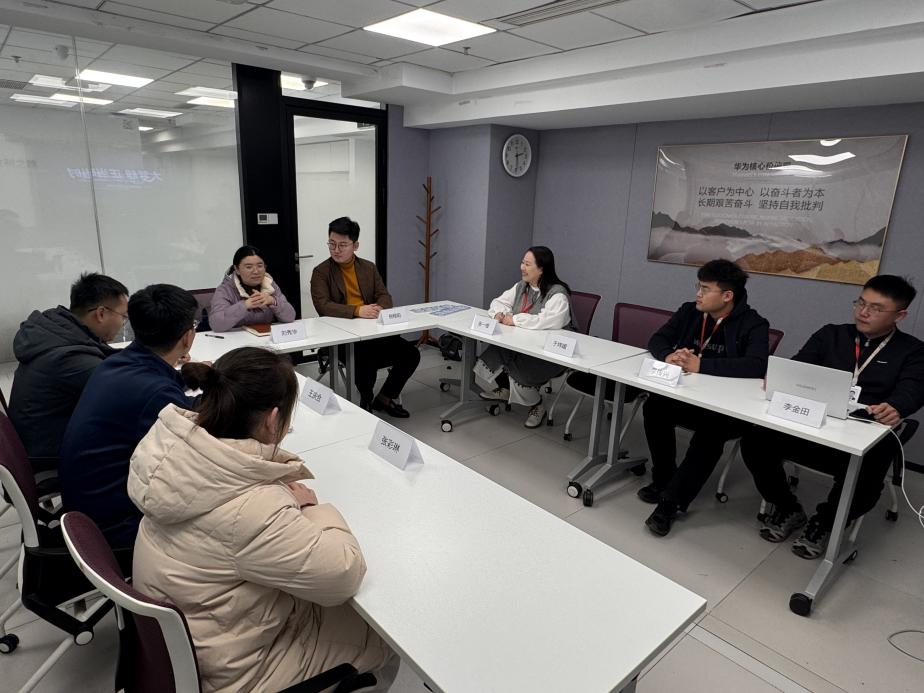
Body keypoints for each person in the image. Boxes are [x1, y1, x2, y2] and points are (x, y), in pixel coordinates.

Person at [128, 347, 397, 693]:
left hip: (195, 637)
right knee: (384, 636)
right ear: (273, 420)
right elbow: (344, 574)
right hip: (237, 673)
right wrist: (312, 508)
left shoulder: (173, 453)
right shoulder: (251, 509)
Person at [741, 274, 924, 559]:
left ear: (899, 315)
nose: (863, 312)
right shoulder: (832, 334)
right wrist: (780, 378)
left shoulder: (913, 350)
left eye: (876, 308)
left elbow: (913, 389)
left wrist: (897, 406)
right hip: (815, 422)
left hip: (865, 430)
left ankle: (825, 522)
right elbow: (800, 367)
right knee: (755, 440)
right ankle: (787, 506)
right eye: (860, 303)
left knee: (867, 476)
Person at [59, 284, 200, 562]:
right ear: (187, 337)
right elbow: (199, 452)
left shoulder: (115, 362)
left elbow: (165, 396)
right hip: (117, 525)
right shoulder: (156, 394)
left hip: (86, 506)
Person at [639, 259, 770, 536]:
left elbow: (757, 365)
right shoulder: (689, 311)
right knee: (655, 407)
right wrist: (668, 355)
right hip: (689, 396)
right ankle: (664, 476)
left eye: (705, 289)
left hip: (729, 409)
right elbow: (657, 339)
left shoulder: (753, 324)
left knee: (711, 432)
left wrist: (702, 365)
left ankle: (671, 503)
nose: (698, 294)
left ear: (727, 295)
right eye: (698, 286)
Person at [8, 272, 128, 468]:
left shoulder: (56, 332)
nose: (123, 323)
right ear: (101, 313)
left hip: (41, 443)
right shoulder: (69, 358)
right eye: (124, 316)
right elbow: (125, 391)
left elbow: (102, 356)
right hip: (51, 459)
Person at [310, 216, 420, 417]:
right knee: (365, 357)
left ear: (355, 245)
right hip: (344, 337)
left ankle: (384, 398)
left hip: (372, 331)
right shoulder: (321, 272)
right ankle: (366, 400)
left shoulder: (368, 267)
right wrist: (357, 311)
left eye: (342, 245)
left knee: (411, 354)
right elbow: (323, 306)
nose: (336, 250)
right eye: (332, 244)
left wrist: (379, 308)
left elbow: (384, 295)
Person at [474, 246, 573, 428]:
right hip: (522, 344)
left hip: (548, 353)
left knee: (518, 370)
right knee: (496, 353)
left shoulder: (557, 294)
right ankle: (505, 390)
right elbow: (498, 302)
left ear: (541, 269)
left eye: (527, 264)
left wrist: (514, 319)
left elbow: (547, 321)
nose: (522, 268)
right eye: (522, 263)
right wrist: (499, 313)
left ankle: (537, 405)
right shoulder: (522, 286)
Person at [209, 245, 296, 332]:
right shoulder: (225, 290)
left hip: (266, 337)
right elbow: (216, 324)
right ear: (237, 269)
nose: (256, 271)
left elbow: (290, 317)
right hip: (237, 338)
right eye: (249, 267)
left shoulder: (270, 285)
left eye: (260, 266)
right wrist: (245, 305)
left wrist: (273, 301)